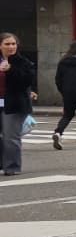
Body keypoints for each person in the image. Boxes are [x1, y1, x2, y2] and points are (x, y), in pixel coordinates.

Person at [0, 32, 35, 175]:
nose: (11, 47)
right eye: (7, 44)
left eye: (13, 44)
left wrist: (11, 70)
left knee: (10, 137)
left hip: (13, 104)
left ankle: (12, 167)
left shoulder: (23, 62)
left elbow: (26, 80)